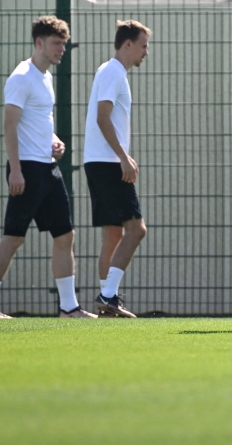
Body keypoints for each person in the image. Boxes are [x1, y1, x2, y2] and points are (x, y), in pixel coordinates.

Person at [0, 16, 96, 318]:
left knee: (65, 235)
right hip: (26, 171)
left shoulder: (46, 78)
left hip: (48, 169)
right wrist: (15, 171)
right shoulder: (21, 76)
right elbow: (10, 126)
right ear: (39, 43)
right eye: (57, 44)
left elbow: (38, 120)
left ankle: (69, 308)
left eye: (64, 45)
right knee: (13, 237)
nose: (61, 50)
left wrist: (54, 141)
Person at [84, 20, 151, 318]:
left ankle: (107, 306)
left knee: (112, 235)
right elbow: (102, 117)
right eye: (143, 46)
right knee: (136, 230)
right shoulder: (113, 71)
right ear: (128, 44)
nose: (145, 52)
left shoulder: (109, 71)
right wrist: (124, 157)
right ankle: (108, 295)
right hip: (109, 164)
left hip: (98, 162)